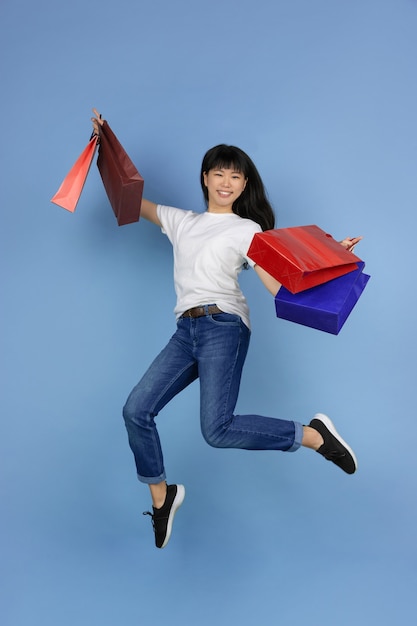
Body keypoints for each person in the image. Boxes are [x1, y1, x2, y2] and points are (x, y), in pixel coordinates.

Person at [92, 110, 362, 549]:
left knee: (216, 430)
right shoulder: (181, 222)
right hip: (185, 331)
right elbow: (127, 198)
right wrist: (104, 145)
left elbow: (278, 283)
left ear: (243, 186)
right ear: (205, 178)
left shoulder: (247, 229)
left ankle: (313, 436)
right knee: (135, 410)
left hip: (223, 326)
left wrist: (332, 254)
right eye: (220, 173)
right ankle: (162, 499)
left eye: (236, 177)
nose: (227, 182)